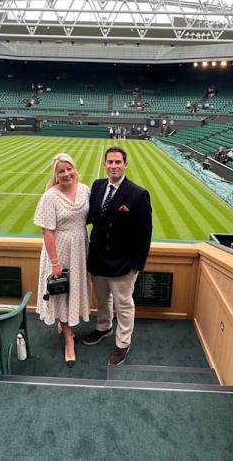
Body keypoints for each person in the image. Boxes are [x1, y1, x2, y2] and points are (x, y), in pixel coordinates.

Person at [82, 147, 153, 366]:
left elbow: (145, 232)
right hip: (98, 258)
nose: (113, 166)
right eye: (110, 162)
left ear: (125, 165)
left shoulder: (138, 193)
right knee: (102, 299)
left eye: (118, 162)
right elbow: (90, 217)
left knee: (123, 305)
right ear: (104, 164)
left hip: (122, 262)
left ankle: (123, 343)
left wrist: (136, 265)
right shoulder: (97, 185)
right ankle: (103, 327)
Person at [33, 153, 91, 368]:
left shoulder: (85, 190)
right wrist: (55, 263)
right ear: (55, 174)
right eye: (61, 171)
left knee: (72, 291)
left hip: (80, 250)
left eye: (69, 169)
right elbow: (47, 232)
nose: (66, 174)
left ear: (74, 169)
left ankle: (64, 325)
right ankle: (68, 339)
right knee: (62, 292)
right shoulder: (50, 196)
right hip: (59, 252)